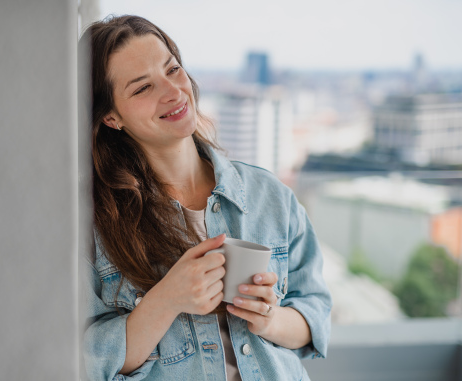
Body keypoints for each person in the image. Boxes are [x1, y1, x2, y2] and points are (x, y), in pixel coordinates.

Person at [80, 15, 332, 381]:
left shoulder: (270, 196)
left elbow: (315, 316)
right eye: (142, 88)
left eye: (173, 69)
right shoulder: (90, 223)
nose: (173, 92)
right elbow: (83, 361)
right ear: (111, 117)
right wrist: (166, 299)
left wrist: (269, 319)